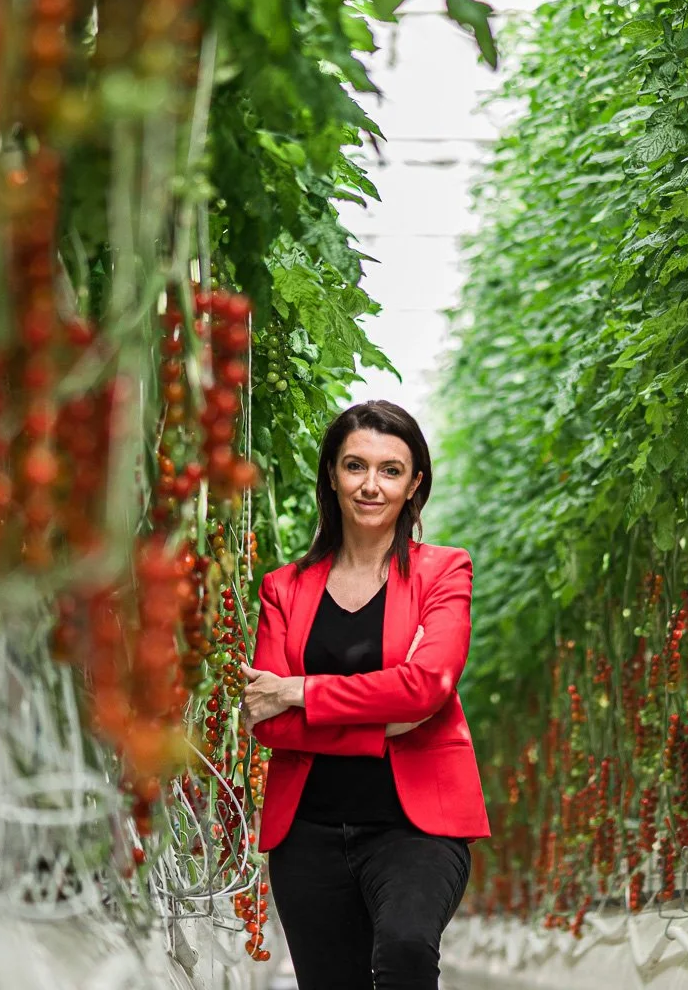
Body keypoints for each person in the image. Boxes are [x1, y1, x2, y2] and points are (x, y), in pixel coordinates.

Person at [242, 400, 489, 989]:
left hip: (416, 828)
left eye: (391, 470)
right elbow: (265, 720)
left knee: (405, 950)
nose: (371, 485)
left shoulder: (444, 572)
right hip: (308, 835)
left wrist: (301, 690)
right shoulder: (284, 587)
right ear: (332, 473)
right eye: (355, 466)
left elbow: (427, 685)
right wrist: (385, 722)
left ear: (414, 484)